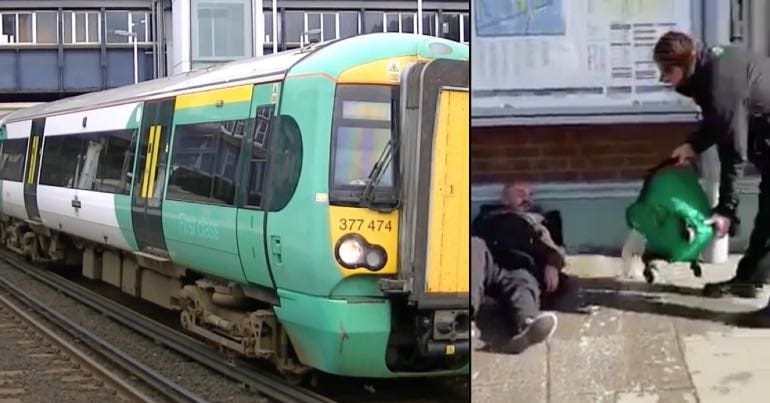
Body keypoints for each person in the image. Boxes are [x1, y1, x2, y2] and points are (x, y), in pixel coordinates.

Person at [654, 30, 770, 298]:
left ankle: (753, 287)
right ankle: (749, 280)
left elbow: (733, 153)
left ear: (684, 65)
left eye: (667, 71)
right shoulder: (708, 69)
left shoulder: (720, 82)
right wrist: (693, 145)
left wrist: (726, 210)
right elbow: (721, 122)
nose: (663, 78)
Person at [471, 236, 557, 353]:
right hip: (489, 260)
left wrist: (553, 264)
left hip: (519, 264)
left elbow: (555, 245)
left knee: (523, 285)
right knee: (474, 245)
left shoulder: (537, 222)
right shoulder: (485, 219)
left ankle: (527, 325)